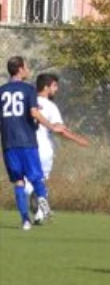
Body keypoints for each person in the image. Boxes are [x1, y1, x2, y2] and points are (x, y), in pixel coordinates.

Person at [1, 57, 61, 230]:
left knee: (19, 182)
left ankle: (25, 221)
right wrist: (50, 126)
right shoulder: (28, 89)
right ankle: (43, 200)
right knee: (37, 177)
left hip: (9, 143)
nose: (28, 70)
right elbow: (34, 112)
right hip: (27, 141)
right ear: (20, 69)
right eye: (26, 67)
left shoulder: (2, 90)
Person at [25, 73, 89, 223]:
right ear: (46, 87)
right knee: (40, 181)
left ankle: (37, 210)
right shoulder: (50, 106)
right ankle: (39, 211)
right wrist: (78, 139)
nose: (56, 89)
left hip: (26, 147)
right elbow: (59, 130)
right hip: (44, 148)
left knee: (26, 181)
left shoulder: (28, 102)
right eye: (54, 86)